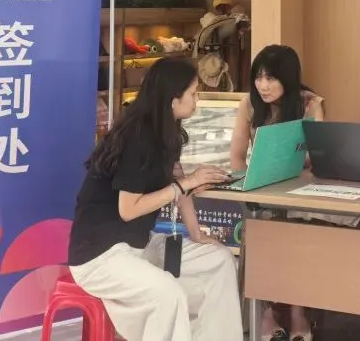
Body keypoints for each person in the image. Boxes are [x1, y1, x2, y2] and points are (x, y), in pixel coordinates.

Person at [67, 57, 241, 341]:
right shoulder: (138, 138)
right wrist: (186, 183)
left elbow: (179, 181)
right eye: (193, 93)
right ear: (173, 99)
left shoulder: (167, 132)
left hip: (139, 244)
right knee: (168, 294)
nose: (197, 100)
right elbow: (129, 209)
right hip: (100, 256)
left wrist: (197, 232)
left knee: (219, 260)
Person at [229, 44, 324, 341]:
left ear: (288, 78)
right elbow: (236, 157)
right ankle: (266, 313)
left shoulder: (310, 103)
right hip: (260, 189)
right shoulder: (249, 103)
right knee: (260, 230)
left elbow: (319, 157)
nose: (263, 85)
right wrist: (247, 186)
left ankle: (298, 311)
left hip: (299, 191)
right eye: (258, 77)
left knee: (298, 234)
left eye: (271, 78)